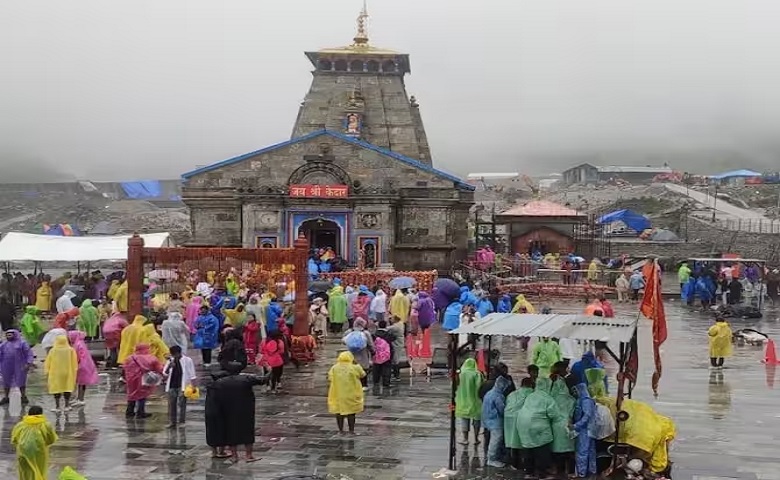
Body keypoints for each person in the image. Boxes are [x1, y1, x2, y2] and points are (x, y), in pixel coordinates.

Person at [204, 362, 268, 462]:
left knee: (231, 432)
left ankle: (234, 456)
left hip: (229, 411)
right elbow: (264, 380)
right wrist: (271, 369)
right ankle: (249, 455)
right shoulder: (246, 379)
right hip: (246, 410)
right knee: (247, 432)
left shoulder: (221, 382)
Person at [517, 377, 564, 479]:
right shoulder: (547, 398)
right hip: (537, 425)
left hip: (522, 422)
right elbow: (554, 415)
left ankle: (529, 472)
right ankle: (542, 474)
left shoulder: (531, 395)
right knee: (542, 449)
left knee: (528, 447)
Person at [11, 405, 58, 480]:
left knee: (25, 469)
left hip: (23, 450)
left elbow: (14, 438)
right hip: (39, 451)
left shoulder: (20, 425)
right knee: (39, 468)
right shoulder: (46, 425)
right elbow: (51, 439)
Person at [328, 351, 366, 435]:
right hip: (351, 393)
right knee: (351, 413)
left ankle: (340, 430)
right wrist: (357, 364)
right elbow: (363, 374)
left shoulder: (334, 367)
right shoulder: (354, 367)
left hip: (337, 393)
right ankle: (351, 430)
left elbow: (330, 377)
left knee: (339, 412)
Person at [123, 343, 163, 418]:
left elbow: (124, 368)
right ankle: (140, 412)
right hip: (144, 379)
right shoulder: (151, 358)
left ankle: (129, 412)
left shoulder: (129, 358)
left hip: (131, 380)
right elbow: (159, 368)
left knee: (131, 395)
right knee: (142, 395)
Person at [504, 377, 535, 471]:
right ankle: (524, 464)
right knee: (523, 442)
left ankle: (514, 463)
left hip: (508, 418)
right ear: (531, 384)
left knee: (512, 441)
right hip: (522, 419)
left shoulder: (512, 394)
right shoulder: (532, 393)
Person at [164, 345, 196, 428]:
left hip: (183, 385)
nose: (174, 356)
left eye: (175, 354)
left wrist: (193, 386)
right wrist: (169, 366)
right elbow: (164, 374)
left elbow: (192, 374)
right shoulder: (170, 361)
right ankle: (172, 422)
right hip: (171, 385)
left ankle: (182, 421)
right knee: (172, 404)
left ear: (179, 353)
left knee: (182, 404)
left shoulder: (187, 360)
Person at [482, 375, 511, 467]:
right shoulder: (498, 396)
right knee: (496, 440)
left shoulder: (489, 393)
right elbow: (502, 409)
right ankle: (492, 459)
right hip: (495, 421)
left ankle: (492, 457)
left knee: (493, 439)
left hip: (488, 420)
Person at [550, 369, 576, 473]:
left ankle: (559, 470)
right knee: (569, 451)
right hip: (568, 425)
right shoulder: (571, 399)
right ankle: (570, 471)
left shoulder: (551, 399)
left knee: (557, 450)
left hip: (556, 426)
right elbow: (575, 414)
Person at [0, 329, 34, 406]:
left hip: (20, 366)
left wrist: (28, 363)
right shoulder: (3, 345)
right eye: (7, 335)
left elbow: (29, 353)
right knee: (6, 382)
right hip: (6, 366)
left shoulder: (22, 343)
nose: (8, 336)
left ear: (15, 334)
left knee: (21, 381)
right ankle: (6, 397)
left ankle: (23, 396)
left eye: (10, 335)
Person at [44, 336, 78, 412]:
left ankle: (57, 406)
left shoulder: (53, 350)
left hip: (55, 373)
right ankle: (66, 406)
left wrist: (47, 371)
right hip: (67, 373)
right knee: (67, 388)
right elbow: (74, 362)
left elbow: (48, 362)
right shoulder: (71, 350)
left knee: (56, 389)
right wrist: (74, 371)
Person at [455, 358, 483, 446]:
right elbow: (480, 386)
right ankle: (476, 438)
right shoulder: (477, 374)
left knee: (464, 420)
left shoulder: (460, 374)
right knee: (476, 421)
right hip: (476, 401)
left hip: (463, 401)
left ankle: (465, 439)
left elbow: (455, 385)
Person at [67, 331, 99, 406]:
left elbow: (81, 356)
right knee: (80, 383)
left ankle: (81, 399)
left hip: (82, 365)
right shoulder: (79, 343)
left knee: (82, 383)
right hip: (82, 365)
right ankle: (79, 398)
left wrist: (79, 364)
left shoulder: (78, 344)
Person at [572, 383, 597, 478]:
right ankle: (592, 470)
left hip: (585, 430)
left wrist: (575, 425)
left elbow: (586, 416)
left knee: (582, 451)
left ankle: (581, 472)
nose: (575, 392)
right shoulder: (584, 400)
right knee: (590, 451)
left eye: (576, 390)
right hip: (589, 430)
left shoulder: (585, 401)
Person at [342, 319, 374, 390]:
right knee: (364, 368)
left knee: (353, 368)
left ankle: (353, 383)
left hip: (352, 354)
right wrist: (373, 351)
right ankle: (364, 385)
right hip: (363, 354)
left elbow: (344, 341)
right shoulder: (366, 333)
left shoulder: (349, 332)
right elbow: (370, 344)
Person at [370, 322, 393, 388]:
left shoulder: (374, 334)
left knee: (376, 368)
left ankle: (376, 381)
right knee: (386, 369)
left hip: (376, 354)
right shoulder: (388, 334)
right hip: (386, 355)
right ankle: (386, 383)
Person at [387, 315, 407, 381]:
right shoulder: (401, 324)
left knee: (395, 360)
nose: (390, 320)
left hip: (397, 344)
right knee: (395, 359)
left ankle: (397, 376)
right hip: (399, 343)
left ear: (395, 320)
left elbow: (387, 329)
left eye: (391, 319)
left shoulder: (396, 326)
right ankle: (395, 374)